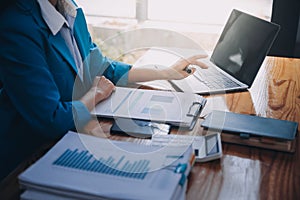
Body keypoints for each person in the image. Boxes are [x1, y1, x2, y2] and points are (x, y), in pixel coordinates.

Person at [0, 0, 207, 180]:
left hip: (70, 136)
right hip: (26, 159)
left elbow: (101, 67)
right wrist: (94, 95)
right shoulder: (17, 26)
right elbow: (52, 120)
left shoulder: (68, 8)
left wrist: (166, 72)